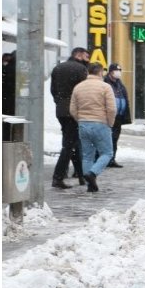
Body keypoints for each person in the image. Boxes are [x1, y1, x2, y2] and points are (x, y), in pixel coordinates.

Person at [70, 62, 117, 193]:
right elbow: (112, 109)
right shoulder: (105, 87)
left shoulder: (78, 87)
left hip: (84, 124)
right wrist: (110, 123)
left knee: (87, 155)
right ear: (100, 72)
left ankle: (90, 184)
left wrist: (80, 119)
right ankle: (93, 174)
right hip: (101, 123)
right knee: (107, 153)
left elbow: (73, 109)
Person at [50, 47, 90, 189]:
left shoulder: (58, 68)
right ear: (78, 55)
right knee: (69, 145)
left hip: (61, 110)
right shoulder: (81, 69)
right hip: (74, 111)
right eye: (86, 56)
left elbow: (53, 90)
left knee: (73, 142)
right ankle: (58, 177)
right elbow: (84, 91)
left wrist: (60, 103)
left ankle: (81, 176)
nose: (88, 59)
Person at [103, 63, 131, 168]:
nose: (118, 73)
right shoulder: (105, 82)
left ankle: (111, 159)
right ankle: (103, 159)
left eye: (120, 70)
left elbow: (124, 98)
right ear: (110, 72)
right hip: (108, 115)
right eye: (116, 70)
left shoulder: (120, 84)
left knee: (114, 138)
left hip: (118, 116)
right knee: (106, 138)